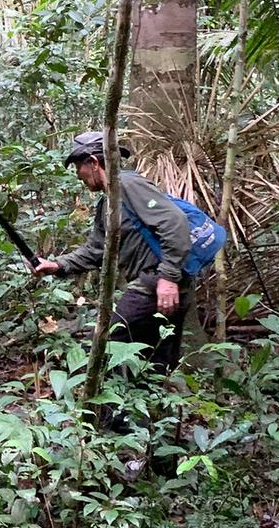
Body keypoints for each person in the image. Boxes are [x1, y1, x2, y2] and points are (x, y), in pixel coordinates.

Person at [32, 130, 193, 377]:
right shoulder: (108, 203)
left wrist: (169, 278)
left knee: (96, 349)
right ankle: (133, 415)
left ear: (94, 162)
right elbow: (96, 250)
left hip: (156, 284)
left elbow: (175, 222)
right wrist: (57, 265)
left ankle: (88, 412)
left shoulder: (127, 184)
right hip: (160, 286)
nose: (78, 175)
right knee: (151, 365)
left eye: (78, 166)